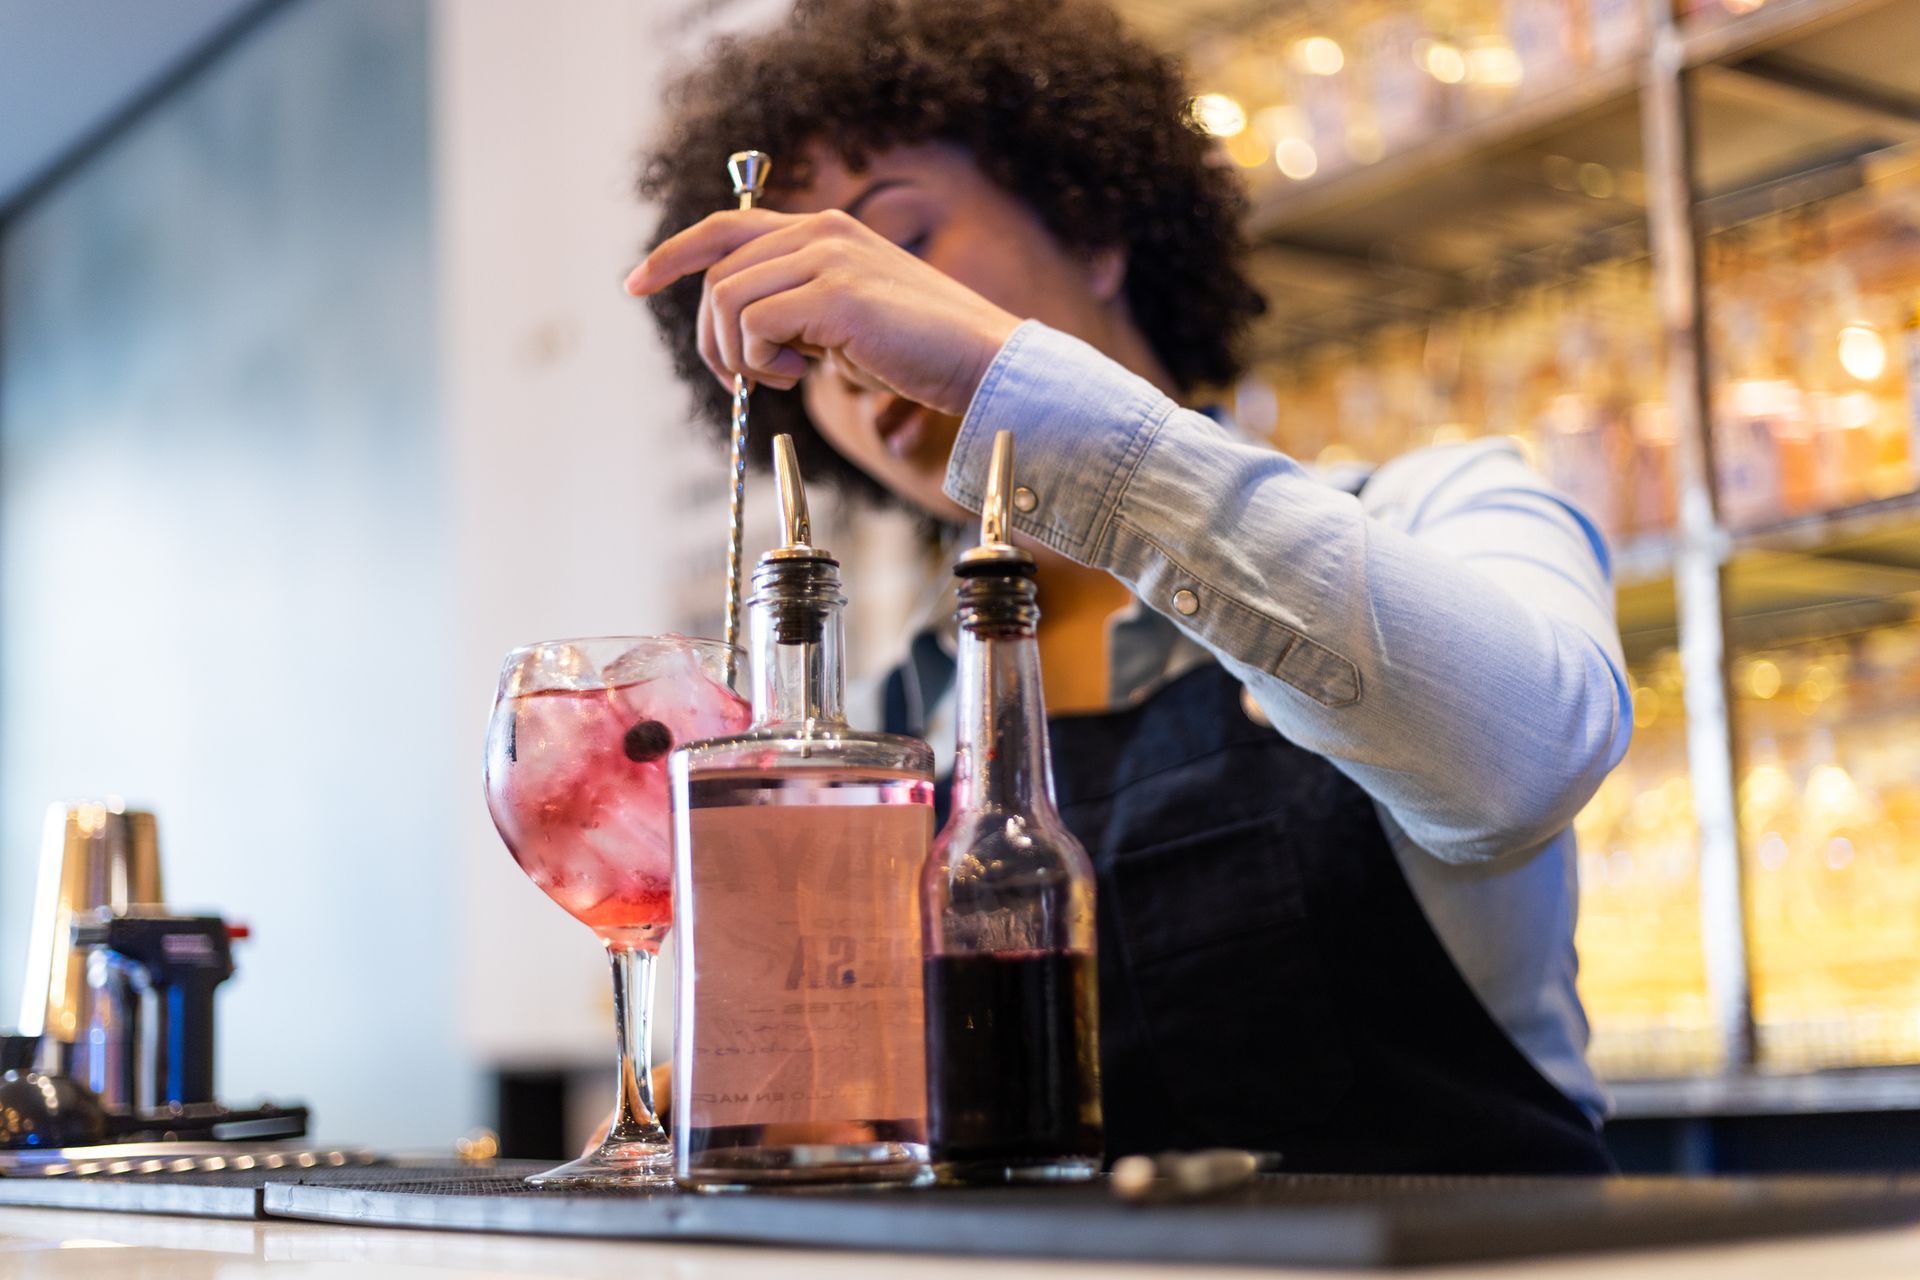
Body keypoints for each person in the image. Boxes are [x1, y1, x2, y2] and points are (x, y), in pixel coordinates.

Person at [627, 0, 1631, 1173]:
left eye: (894, 248)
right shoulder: (898, 719)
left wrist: (1005, 372)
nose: (847, 347)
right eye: (798, 338)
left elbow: (1525, 755)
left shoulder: (1438, 509)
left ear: (1095, 226)